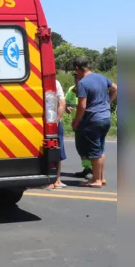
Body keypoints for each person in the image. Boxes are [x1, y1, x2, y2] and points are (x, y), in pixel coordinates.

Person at [71, 57, 117, 188]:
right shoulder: (101, 77)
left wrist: (76, 121)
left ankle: (95, 180)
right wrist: (107, 102)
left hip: (93, 120)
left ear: (77, 69)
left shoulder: (83, 83)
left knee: (94, 151)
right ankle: (101, 178)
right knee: (100, 149)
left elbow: (82, 106)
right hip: (105, 118)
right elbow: (115, 89)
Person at [66, 77, 93, 179]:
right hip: (77, 123)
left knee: (90, 147)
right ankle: (86, 168)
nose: (76, 81)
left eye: (78, 79)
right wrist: (66, 107)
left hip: (89, 122)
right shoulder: (71, 89)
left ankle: (93, 170)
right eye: (75, 79)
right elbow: (66, 102)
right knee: (81, 148)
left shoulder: (89, 89)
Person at [45, 79, 68, 190]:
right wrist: (57, 120)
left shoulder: (35, 80)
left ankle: (48, 181)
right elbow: (62, 103)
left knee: (45, 149)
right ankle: (57, 180)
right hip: (54, 122)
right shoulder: (55, 82)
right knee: (56, 149)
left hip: (41, 122)